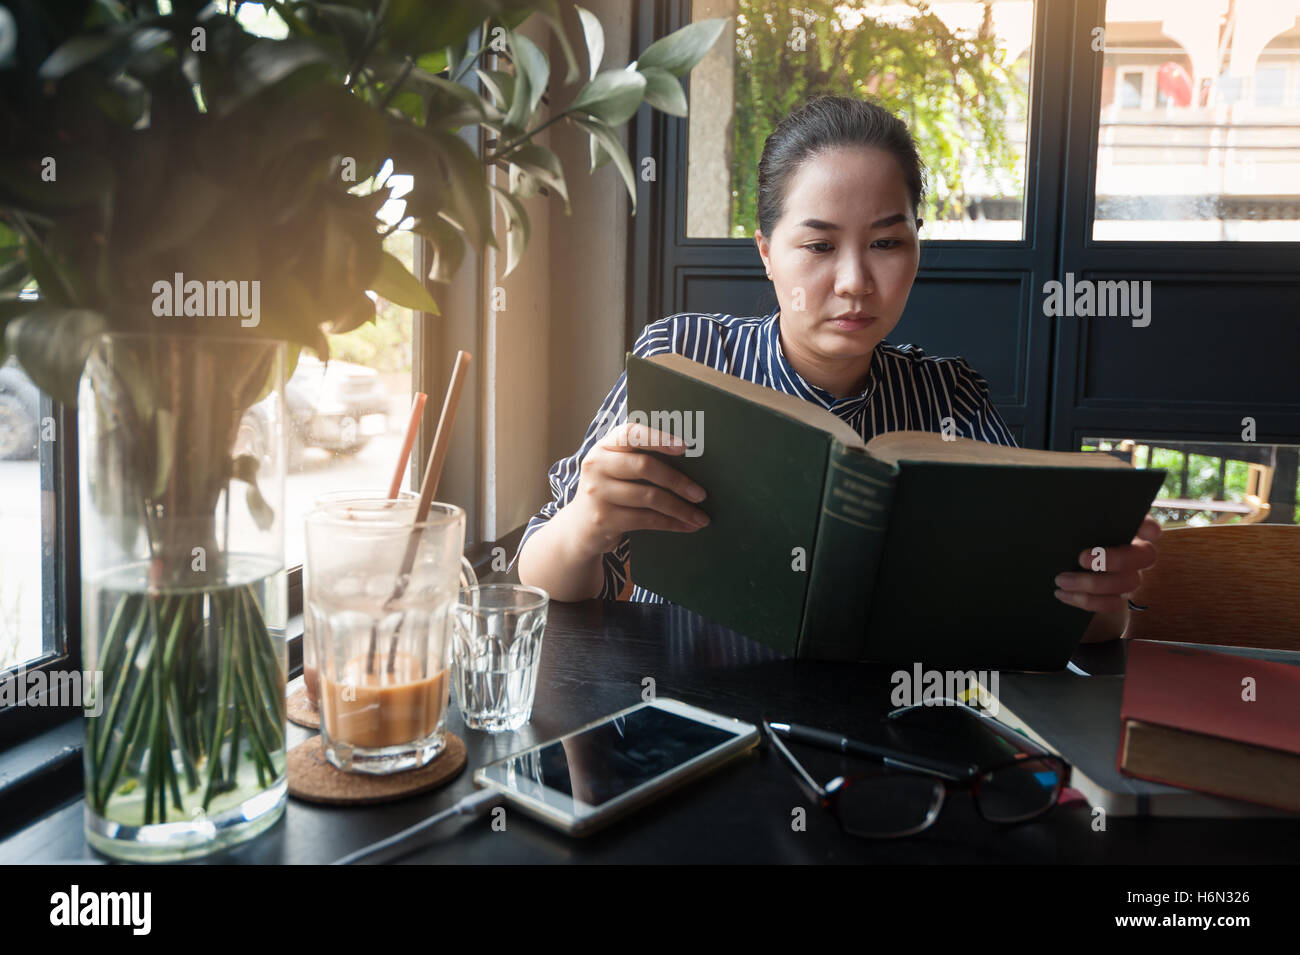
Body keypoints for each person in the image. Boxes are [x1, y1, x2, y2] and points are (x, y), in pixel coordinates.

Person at [515, 94, 1158, 642]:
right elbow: (541, 574)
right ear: (767, 253)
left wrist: (1100, 600)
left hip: (893, 733)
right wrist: (582, 526)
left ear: (915, 249)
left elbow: (1062, 615)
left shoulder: (949, 400)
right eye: (819, 246)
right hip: (686, 712)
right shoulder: (683, 362)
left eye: (885, 243)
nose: (854, 282)